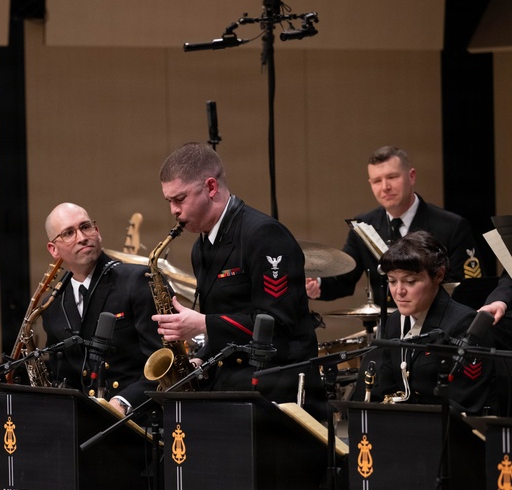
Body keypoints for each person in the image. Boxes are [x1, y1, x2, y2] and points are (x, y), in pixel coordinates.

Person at [152, 142, 323, 408]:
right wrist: (201, 359)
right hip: (233, 383)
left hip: (278, 389)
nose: (173, 210)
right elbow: (227, 315)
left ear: (211, 187)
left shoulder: (264, 235)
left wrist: (203, 324)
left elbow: (277, 323)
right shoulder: (201, 247)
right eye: (169, 201)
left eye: (180, 199)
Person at [306, 146, 481, 304]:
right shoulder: (364, 226)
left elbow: (469, 288)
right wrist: (317, 284)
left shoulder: (452, 226)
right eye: (377, 181)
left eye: (392, 177)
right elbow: (344, 279)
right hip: (388, 328)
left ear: (411, 176)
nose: (385, 187)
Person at [40, 202, 162, 415]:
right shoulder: (53, 305)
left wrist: (123, 402)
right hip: (85, 424)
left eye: (85, 227)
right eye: (69, 233)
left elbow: (164, 363)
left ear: (97, 232)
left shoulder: (137, 281)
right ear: (53, 249)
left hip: (137, 419)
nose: (81, 237)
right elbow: (62, 378)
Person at [358, 231, 493, 412]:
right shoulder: (395, 321)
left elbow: (466, 401)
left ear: (438, 276)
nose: (398, 292)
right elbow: (385, 386)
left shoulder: (465, 324)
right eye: (392, 281)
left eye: (410, 281)